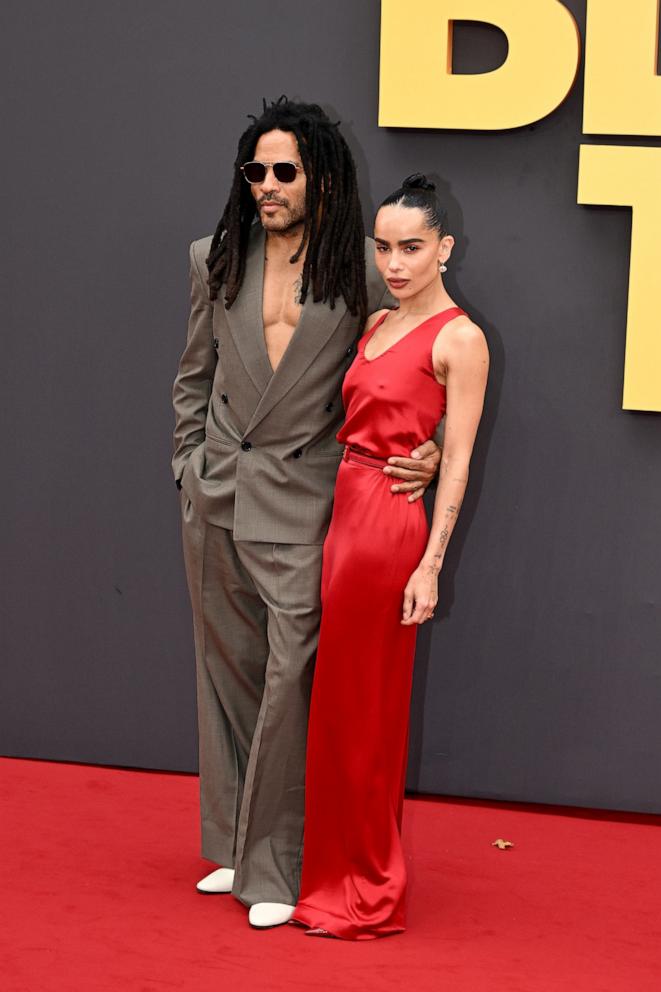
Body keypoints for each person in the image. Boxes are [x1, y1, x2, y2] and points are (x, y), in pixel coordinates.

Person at [171, 101, 441, 929]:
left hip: (308, 502)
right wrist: (187, 466)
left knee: (292, 686)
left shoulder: (367, 267)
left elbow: (417, 356)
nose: (266, 186)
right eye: (255, 171)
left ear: (319, 175)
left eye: (284, 171)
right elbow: (191, 374)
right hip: (217, 493)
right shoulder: (213, 257)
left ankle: (277, 865)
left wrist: (422, 448)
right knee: (228, 678)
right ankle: (232, 844)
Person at [292, 174, 490, 940]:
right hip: (344, 514)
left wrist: (430, 563)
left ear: (445, 247)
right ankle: (329, 874)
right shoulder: (375, 319)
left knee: (368, 714)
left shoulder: (460, 338)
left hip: (388, 531)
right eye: (383, 247)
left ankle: (368, 889)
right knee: (338, 709)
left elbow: (461, 458)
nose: (394, 262)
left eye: (411, 247)